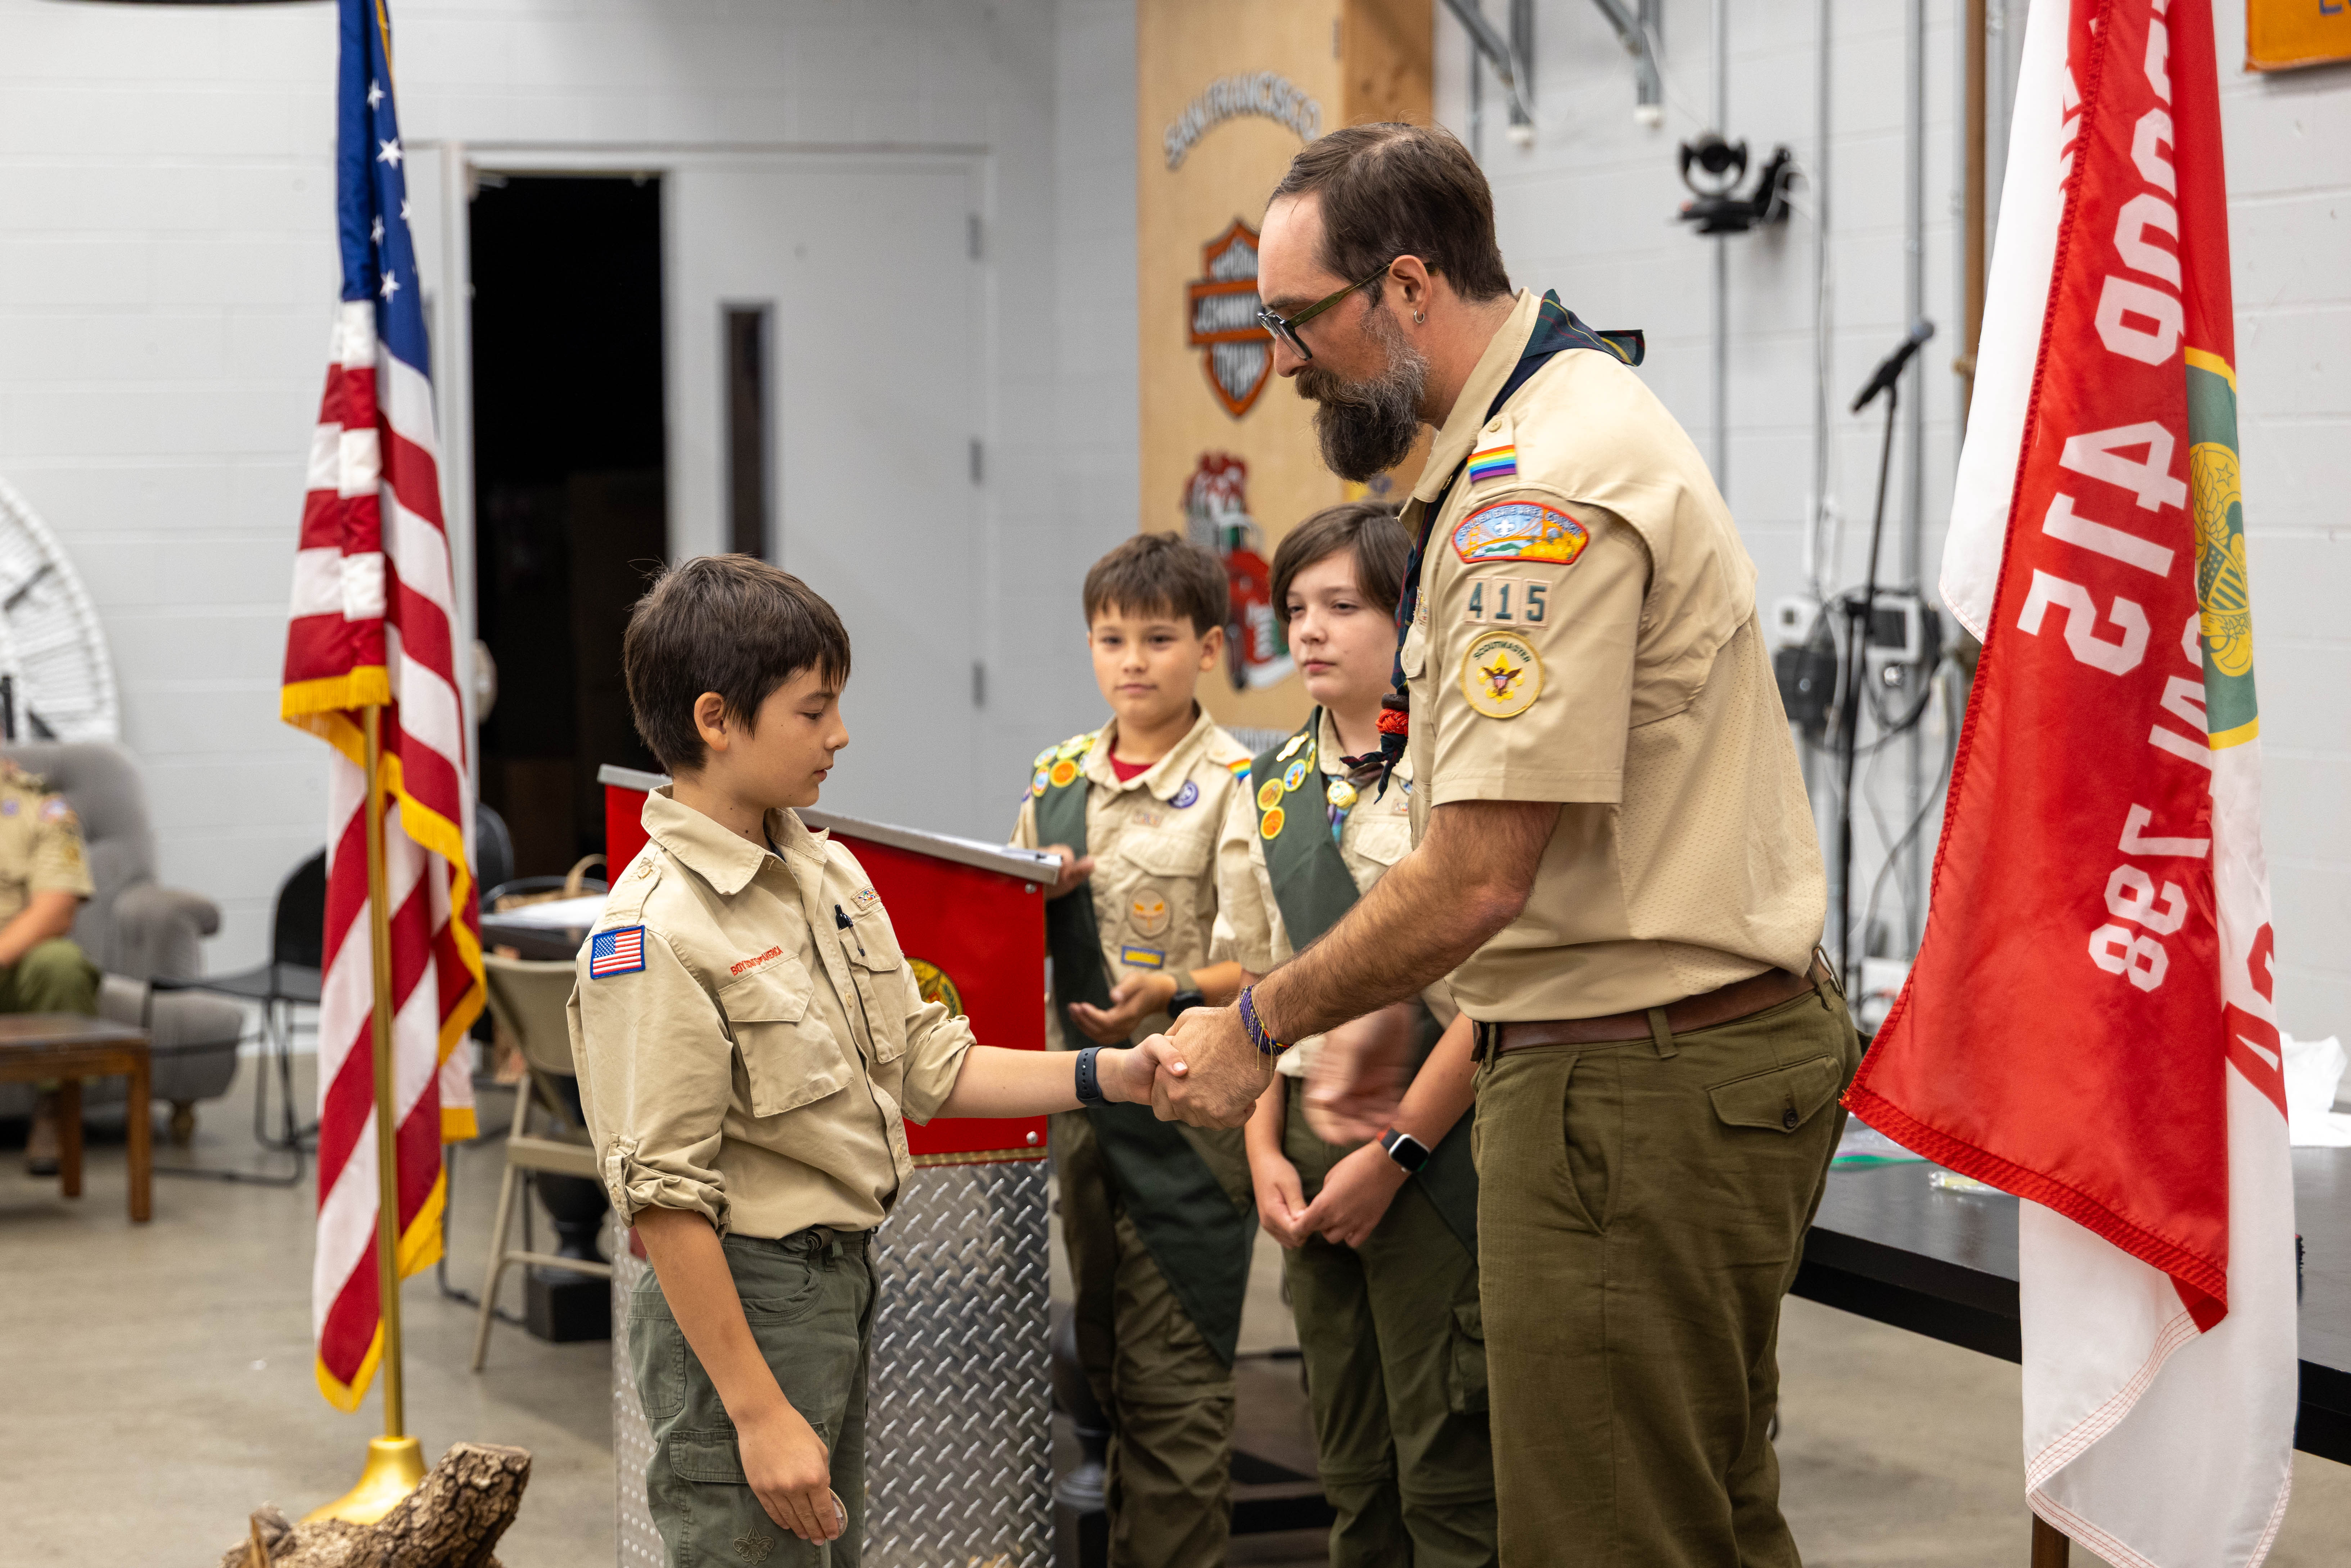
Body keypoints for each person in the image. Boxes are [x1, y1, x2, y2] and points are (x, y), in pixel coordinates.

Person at [1146, 124, 1858, 1567]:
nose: (1285, 361)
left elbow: (1481, 870)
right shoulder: (1543, 428)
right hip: (1656, 1055)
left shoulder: (1542, 488)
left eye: (1298, 322)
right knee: (1701, 1518)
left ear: (1406, 290)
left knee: (1603, 1534)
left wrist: (1262, 1023)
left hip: (1632, 1084)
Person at [569, 555, 1178, 1568]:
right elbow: (663, 1201)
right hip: (743, 1303)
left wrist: (1110, 1074)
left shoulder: (822, 868)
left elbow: (926, 1062)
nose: (839, 735)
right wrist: (757, 1413)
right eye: (814, 711)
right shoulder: (654, 931)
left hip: (836, 1286)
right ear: (717, 720)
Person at [1213, 502, 1495, 1567]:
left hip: (1439, 1155)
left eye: (1342, 605)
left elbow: (1493, 999)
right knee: (1351, 1470)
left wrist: (1393, 1155)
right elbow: (1258, 987)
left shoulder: (1454, 779)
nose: (1311, 631)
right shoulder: (1266, 789)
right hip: (1311, 1169)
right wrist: (1261, 1162)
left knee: (1451, 1474)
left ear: (1409, 621)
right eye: (1295, 609)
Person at [1007, 532, 1254, 1568]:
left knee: (1176, 1386)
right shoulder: (1057, 776)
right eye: (1111, 637)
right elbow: (1001, 936)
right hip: (1082, 1112)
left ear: (1208, 648)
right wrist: (1033, 890)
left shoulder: (1245, 778)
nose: (1132, 660)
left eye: (1159, 638)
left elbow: (1274, 963)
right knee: (1103, 1367)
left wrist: (1173, 988)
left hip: (1188, 1125)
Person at [0, 757, 101, 1175]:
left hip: (12, 957)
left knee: (62, 963)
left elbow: (56, 910)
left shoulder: (39, 807)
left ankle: (54, 1111)